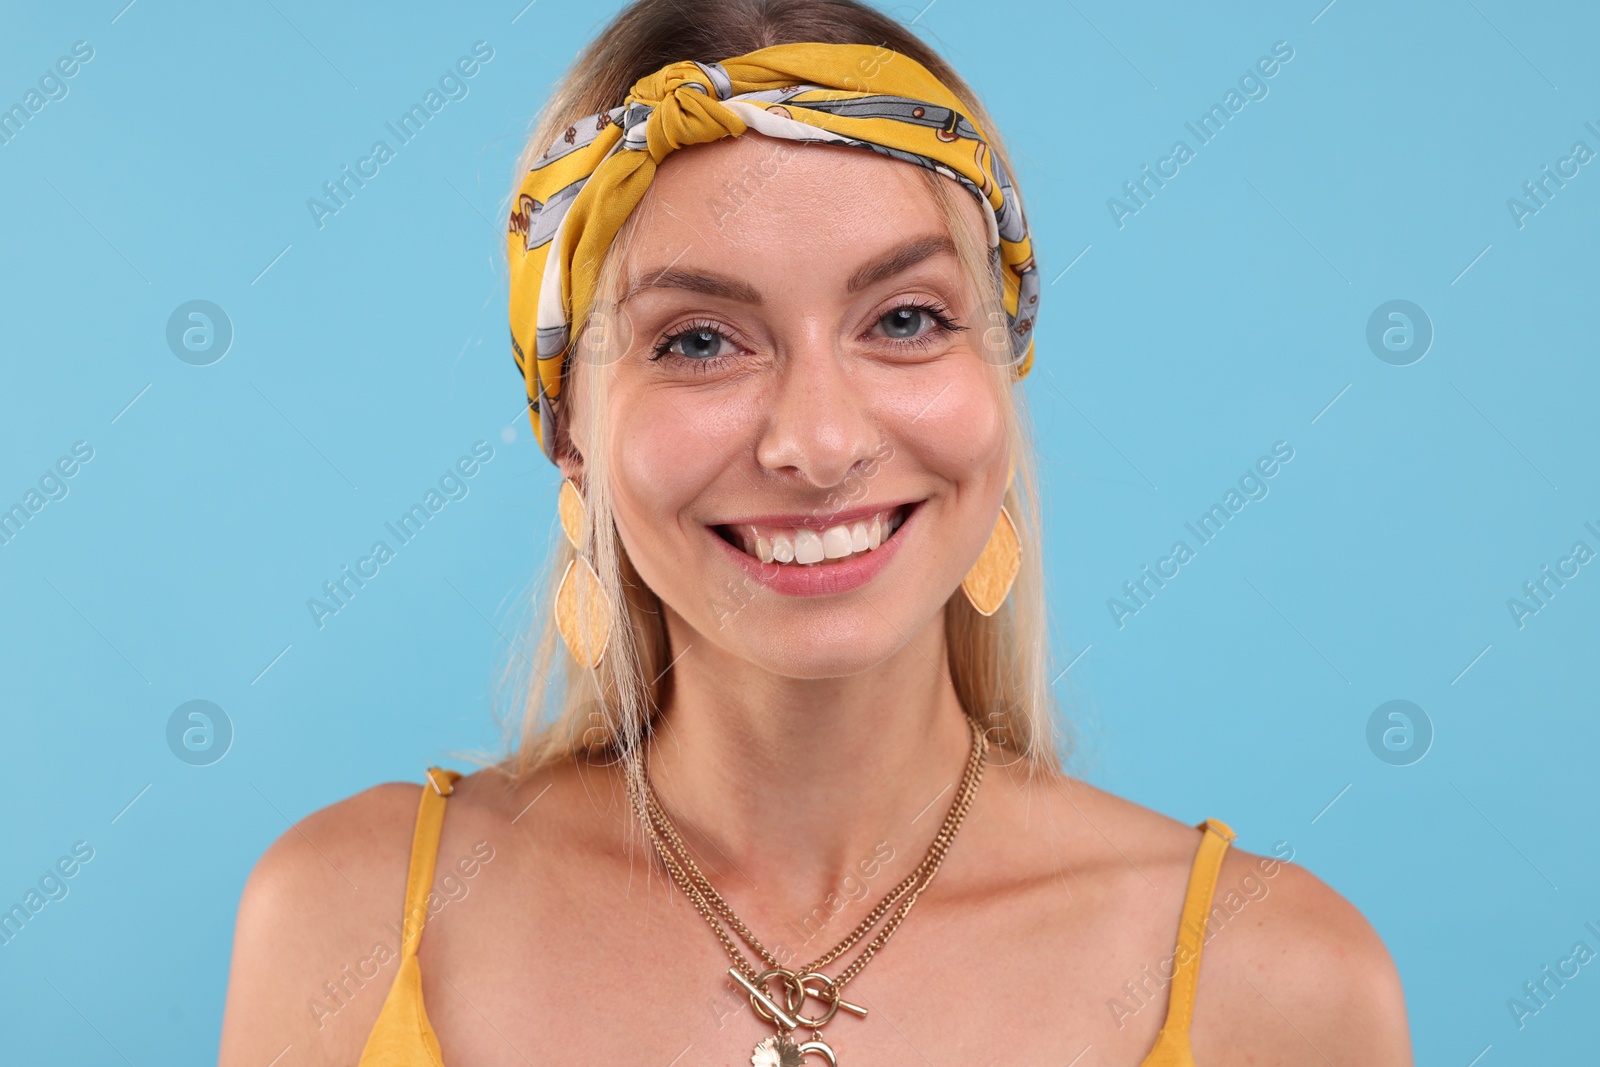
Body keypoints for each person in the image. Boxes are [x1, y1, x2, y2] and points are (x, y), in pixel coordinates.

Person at [219, 1, 1413, 1064]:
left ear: (997, 376)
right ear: (568, 428)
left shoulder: (1286, 982)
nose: (819, 440)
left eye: (903, 316)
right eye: (697, 339)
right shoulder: (351, 918)